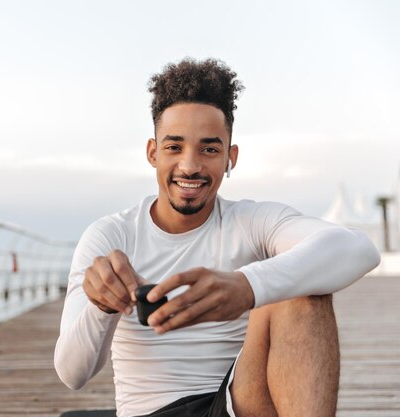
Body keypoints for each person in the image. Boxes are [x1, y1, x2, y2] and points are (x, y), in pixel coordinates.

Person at [54, 58, 380, 417]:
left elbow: (358, 247)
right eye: (174, 147)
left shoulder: (250, 221)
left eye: (209, 149)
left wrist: (247, 286)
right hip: (151, 410)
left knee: (304, 291)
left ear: (230, 157)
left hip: (236, 401)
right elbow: (72, 375)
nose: (190, 165)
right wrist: (101, 307)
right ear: (152, 153)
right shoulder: (111, 235)